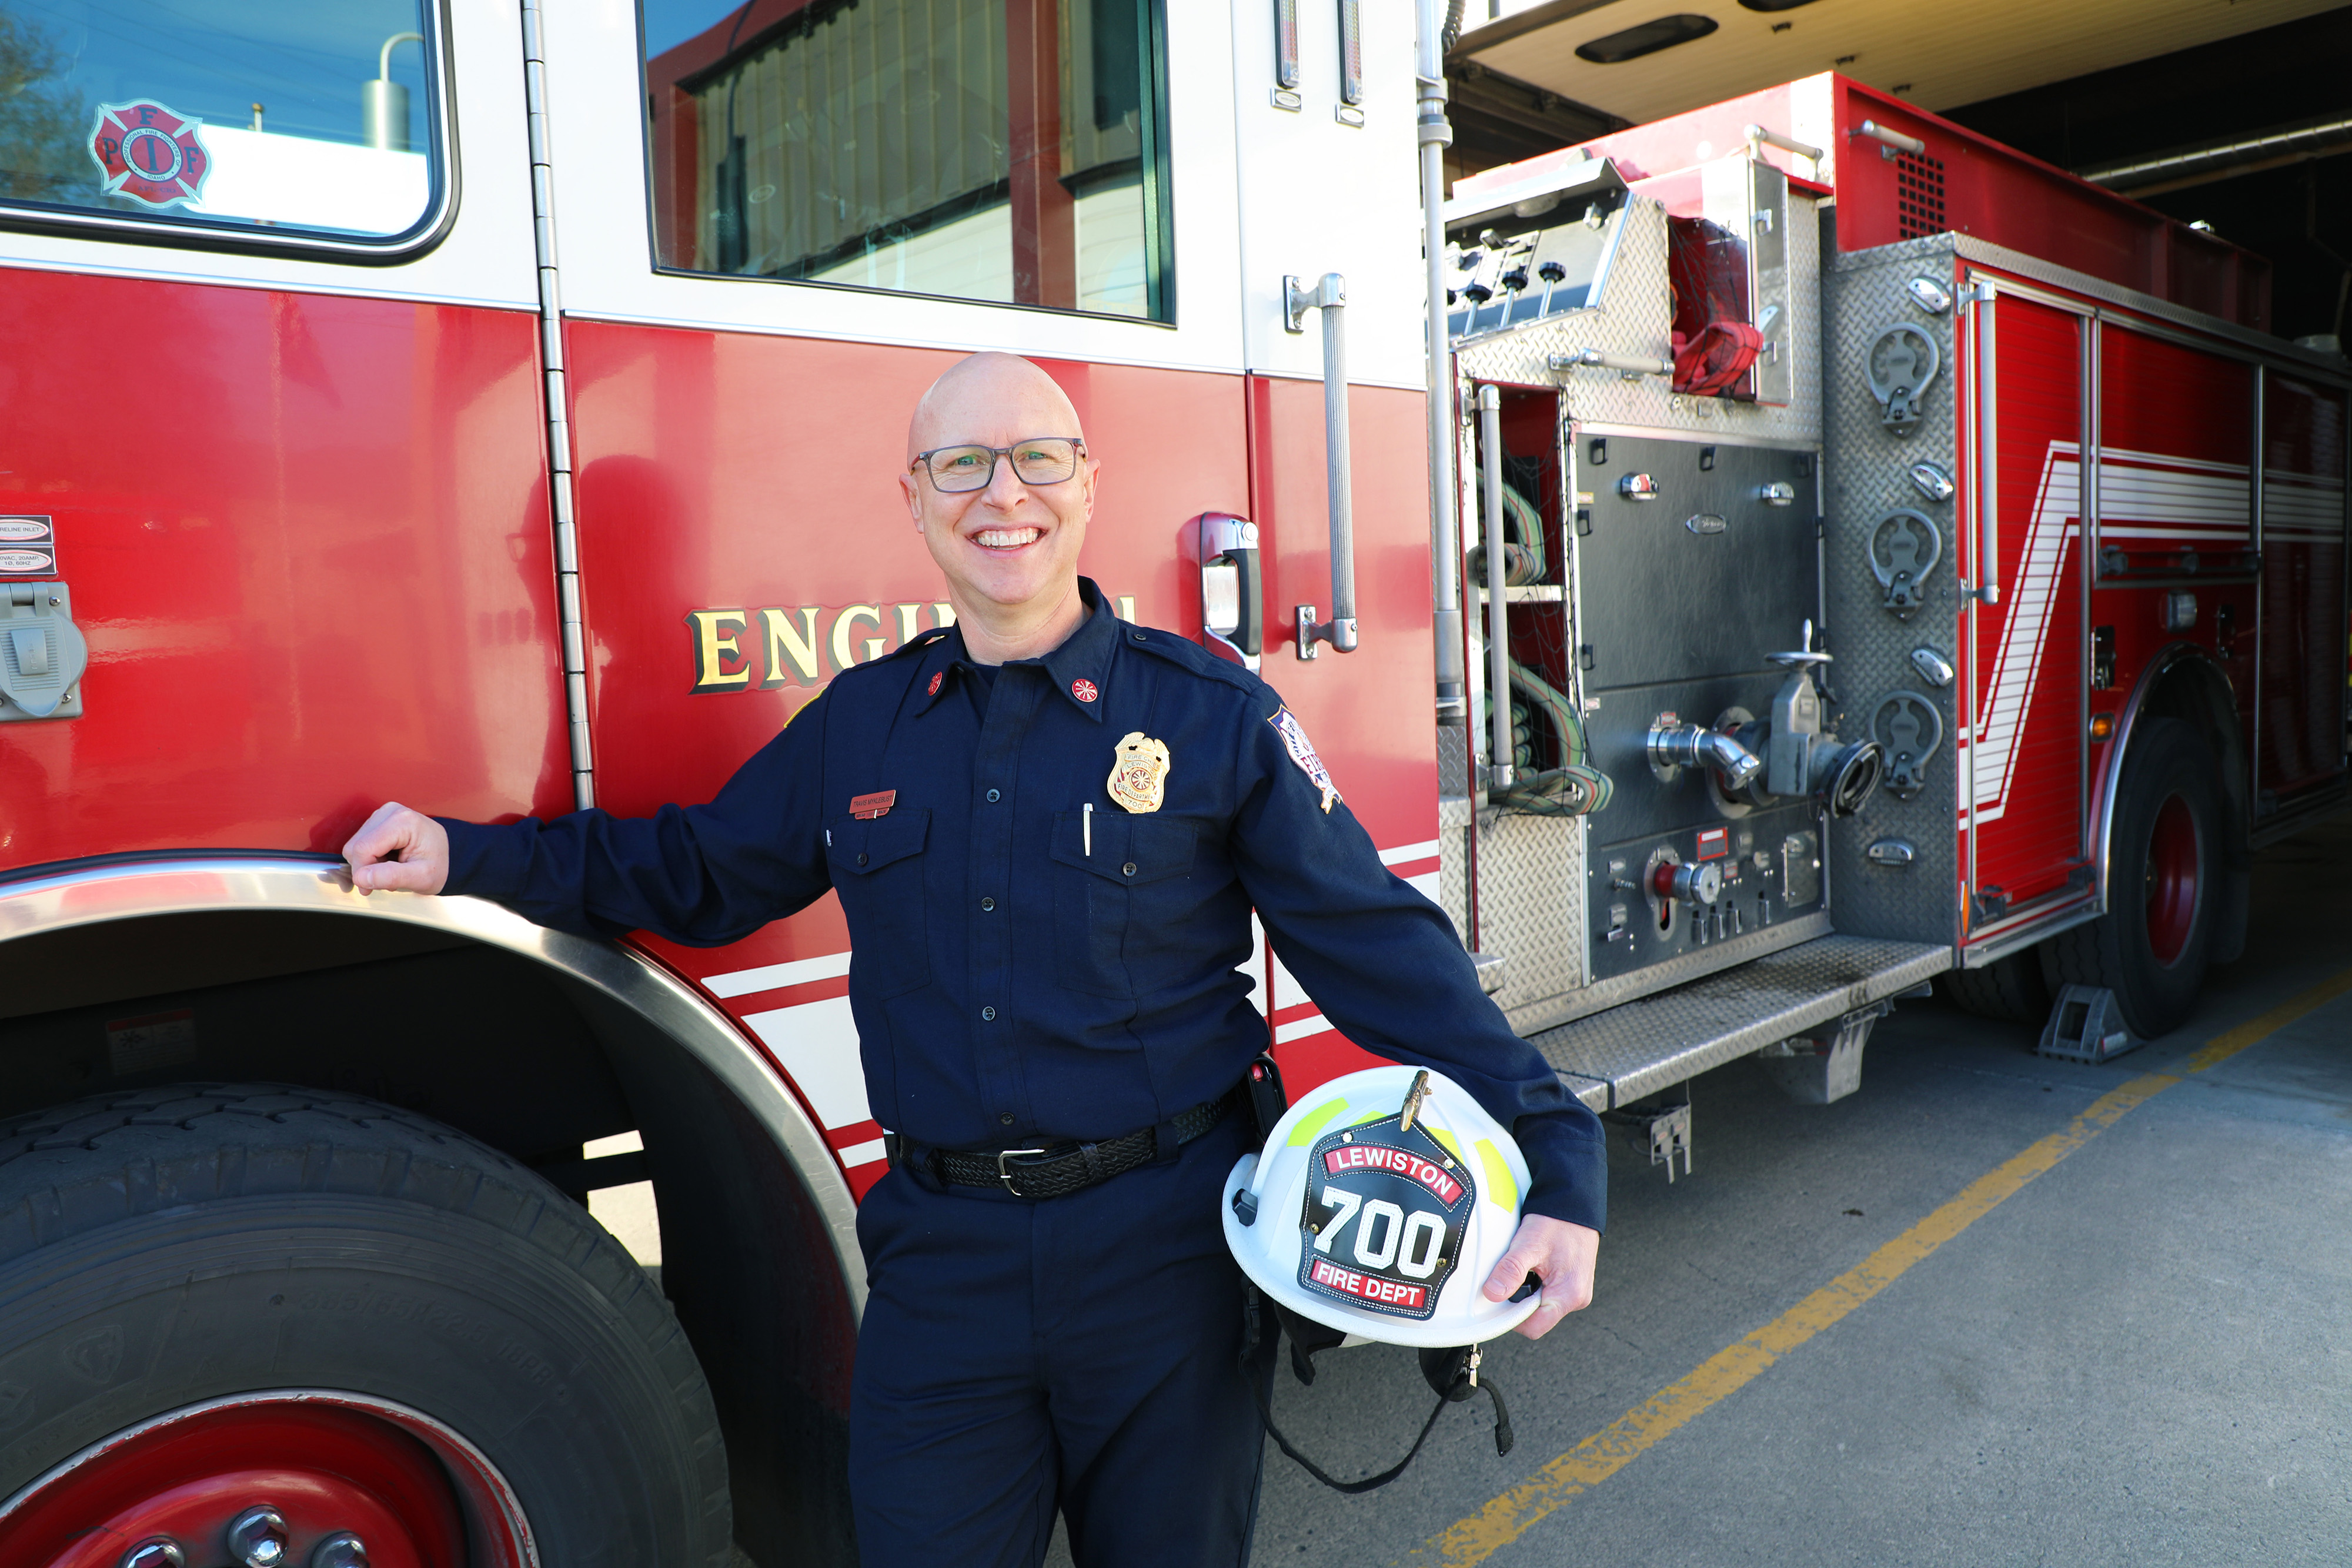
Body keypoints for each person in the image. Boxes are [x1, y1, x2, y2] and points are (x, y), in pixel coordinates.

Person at [343, 352, 1605, 1567]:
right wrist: (466, 854)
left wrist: (1558, 1154)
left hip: (1165, 1258)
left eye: (1037, 458)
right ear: (913, 498)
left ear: (1088, 483)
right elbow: (698, 871)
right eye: (961, 465)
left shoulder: (1209, 714)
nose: (1004, 493)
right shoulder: (863, 722)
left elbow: (1376, 947)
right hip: (942, 1268)